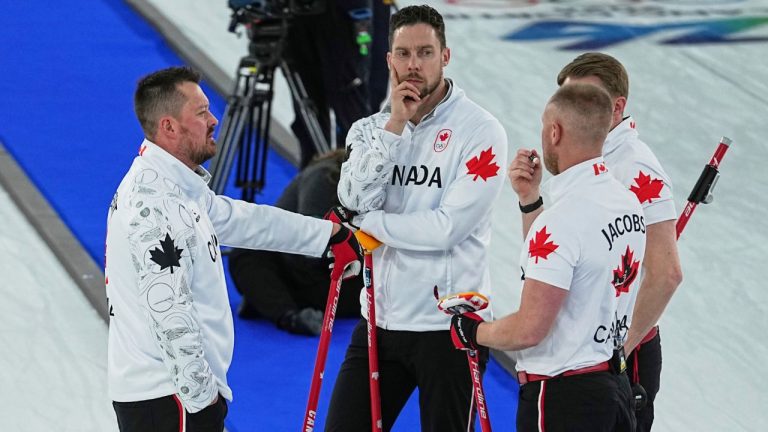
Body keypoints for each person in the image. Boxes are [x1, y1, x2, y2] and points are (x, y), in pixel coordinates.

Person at [104, 66, 362, 431]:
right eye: (201, 113)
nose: (214, 120)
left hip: (176, 396)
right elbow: (168, 310)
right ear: (169, 127)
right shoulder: (153, 208)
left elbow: (243, 220)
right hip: (171, 400)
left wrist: (327, 236)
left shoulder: (177, 188)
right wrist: (202, 402)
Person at [326, 5, 508, 431]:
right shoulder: (370, 130)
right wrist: (395, 126)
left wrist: (370, 225)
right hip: (379, 323)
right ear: (388, 59)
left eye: (425, 52)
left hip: (448, 330)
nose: (413, 65)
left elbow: (447, 229)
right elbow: (351, 199)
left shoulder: (481, 131)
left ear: (446, 56)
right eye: (403, 53)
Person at [450, 83, 644, 431]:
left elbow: (529, 329)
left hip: (562, 399)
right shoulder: (627, 202)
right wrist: (530, 200)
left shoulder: (562, 221)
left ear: (555, 132)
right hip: (613, 390)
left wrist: (474, 331)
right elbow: (558, 260)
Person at [557, 52, 683, 431]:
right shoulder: (580, 157)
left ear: (617, 108)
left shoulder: (634, 167)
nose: (570, 111)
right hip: (580, 346)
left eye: (584, 100)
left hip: (617, 354)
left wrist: (621, 350)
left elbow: (666, 274)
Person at [228, 149, 363, 335]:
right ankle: (288, 315)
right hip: (306, 268)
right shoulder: (325, 176)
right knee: (246, 252)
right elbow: (309, 247)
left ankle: (268, 301)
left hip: (339, 275)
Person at [284, 0, 375, 168]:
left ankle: (356, 185)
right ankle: (312, 185)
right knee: (307, 116)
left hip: (341, 15)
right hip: (293, 16)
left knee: (352, 119)